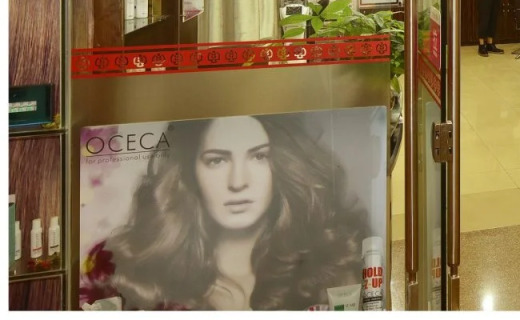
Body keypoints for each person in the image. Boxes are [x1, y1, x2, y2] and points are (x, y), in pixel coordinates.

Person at [79, 114, 369, 311]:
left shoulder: (329, 264)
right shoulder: (134, 272)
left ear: (282, 166)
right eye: (217, 161)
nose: (238, 182)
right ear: (190, 172)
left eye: (258, 156)